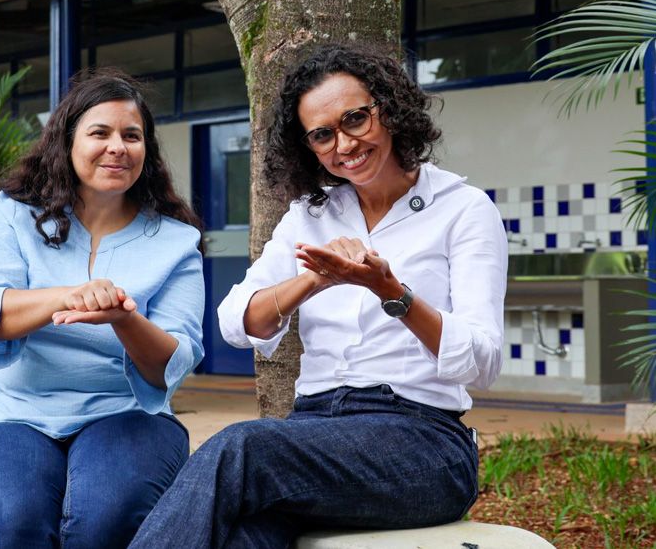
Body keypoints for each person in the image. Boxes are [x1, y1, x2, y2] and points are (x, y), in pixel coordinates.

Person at [130, 43, 507, 548]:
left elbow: (482, 361)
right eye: (322, 134)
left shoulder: (462, 209)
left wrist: (391, 292)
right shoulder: (311, 214)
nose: (344, 143)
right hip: (312, 435)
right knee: (244, 538)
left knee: (242, 446)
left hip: (422, 445)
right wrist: (312, 280)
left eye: (355, 119)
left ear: (389, 109)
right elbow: (236, 322)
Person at [0, 69, 205, 549]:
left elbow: (172, 363)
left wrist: (124, 317)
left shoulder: (177, 242)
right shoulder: (13, 214)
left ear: (146, 151)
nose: (118, 146)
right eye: (100, 132)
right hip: (18, 416)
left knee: (100, 525)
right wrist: (67, 295)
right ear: (66, 142)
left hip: (129, 416)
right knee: (19, 527)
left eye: (131, 136)